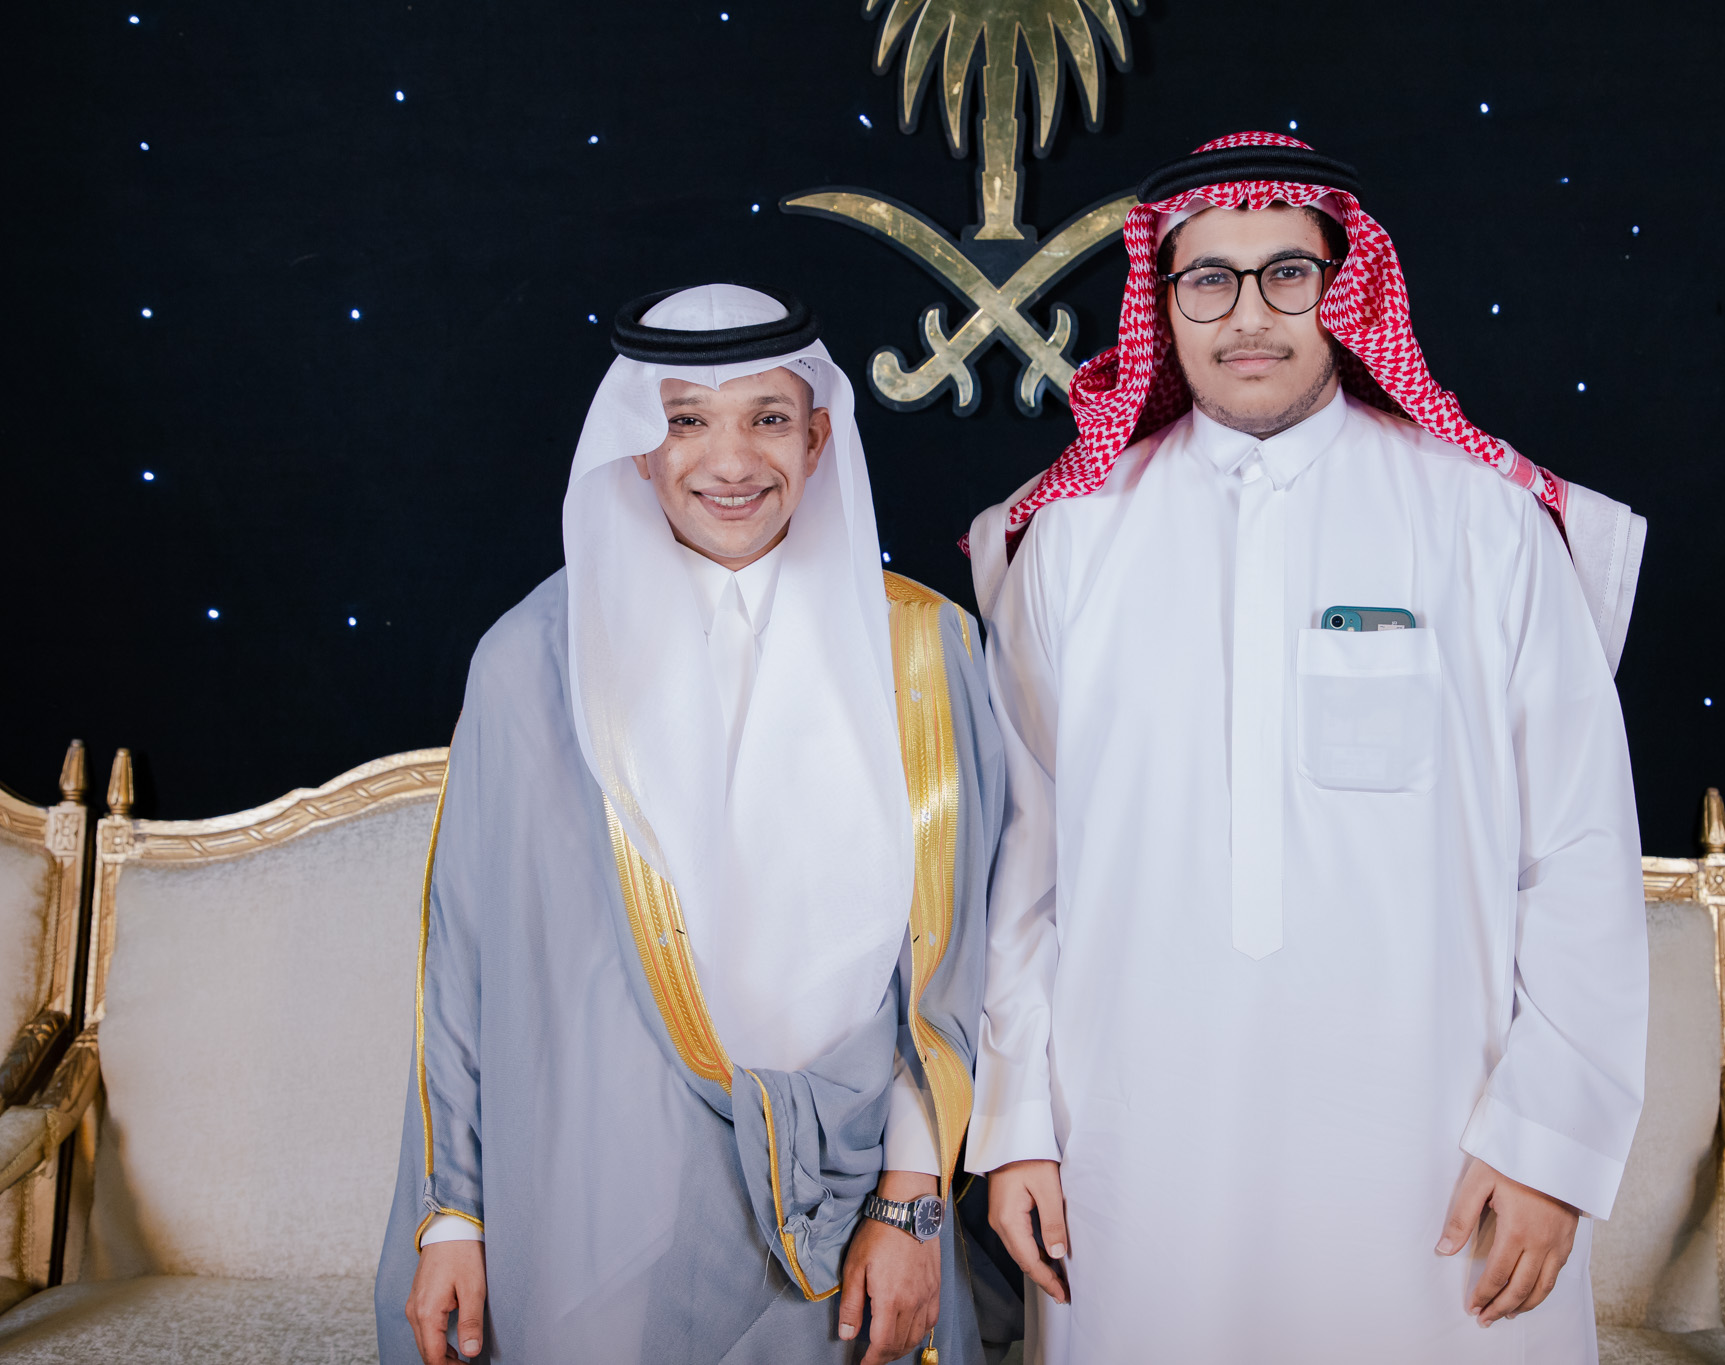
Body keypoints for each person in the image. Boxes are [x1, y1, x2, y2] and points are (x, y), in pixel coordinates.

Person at [960, 133, 1650, 1362]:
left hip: (1439, 1154)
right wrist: (1014, 1121)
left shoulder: (1482, 523)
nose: (1247, 315)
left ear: (1346, 289)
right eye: (1207, 280)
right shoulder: (1071, 543)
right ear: (1161, 301)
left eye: (1286, 273)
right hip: (1134, 1152)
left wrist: (1551, 1142)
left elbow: (1580, 849)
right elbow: (1027, 860)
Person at [373, 284, 1003, 1365]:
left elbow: (949, 966)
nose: (730, 460)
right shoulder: (534, 661)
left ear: (816, 439)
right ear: (635, 447)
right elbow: (466, 963)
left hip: (855, 1204)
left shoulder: (920, 649)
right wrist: (453, 1215)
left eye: (768, 417)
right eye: (686, 421)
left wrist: (909, 1203)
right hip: (597, 1201)